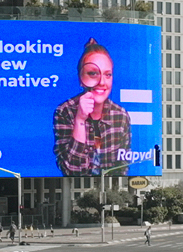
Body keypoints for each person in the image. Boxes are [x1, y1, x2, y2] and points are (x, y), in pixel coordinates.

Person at [54, 37, 132, 177]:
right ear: (81, 79)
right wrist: (80, 120)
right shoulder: (64, 112)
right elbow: (72, 171)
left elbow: (122, 169)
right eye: (93, 73)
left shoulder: (121, 116)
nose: (102, 82)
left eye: (108, 75)